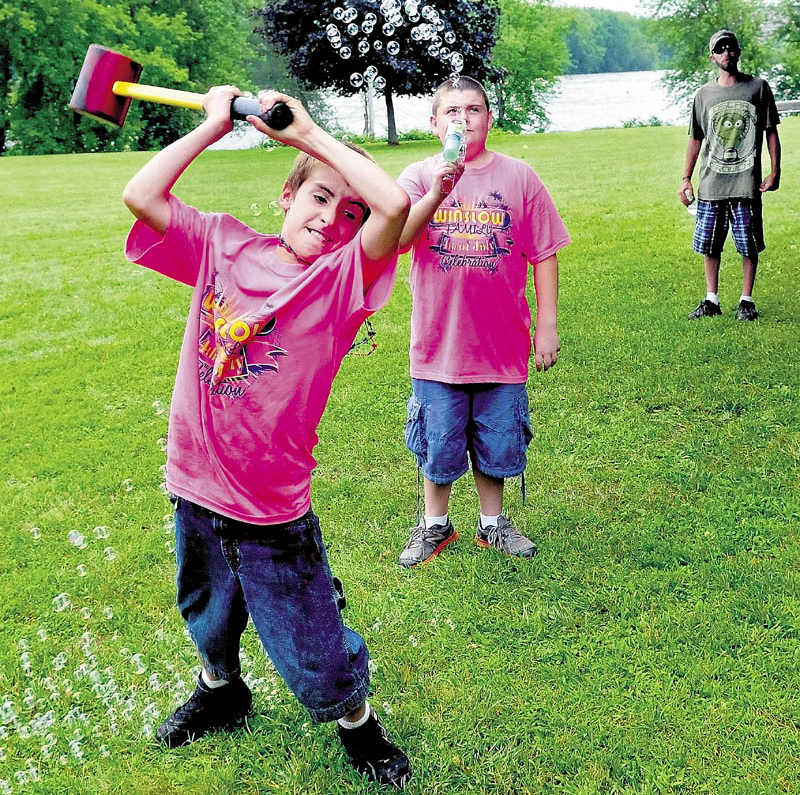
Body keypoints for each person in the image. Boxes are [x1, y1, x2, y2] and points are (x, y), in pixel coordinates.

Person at [122, 86, 412, 787]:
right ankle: (221, 688)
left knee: (312, 647)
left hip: (272, 509)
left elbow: (395, 206)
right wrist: (212, 127)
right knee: (207, 614)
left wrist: (307, 133)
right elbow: (140, 194)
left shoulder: (342, 282)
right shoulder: (220, 243)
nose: (332, 220)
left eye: (349, 214)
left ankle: (357, 722)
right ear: (287, 196)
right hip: (195, 483)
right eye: (319, 200)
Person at [395, 76, 570, 568]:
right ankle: (435, 525)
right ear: (434, 123)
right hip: (438, 347)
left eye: (473, 110)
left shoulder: (519, 177)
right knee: (439, 439)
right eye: (451, 112)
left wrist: (548, 326)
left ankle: (492, 524)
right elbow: (400, 238)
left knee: (497, 439)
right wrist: (437, 190)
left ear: (489, 120)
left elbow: (545, 253)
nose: (462, 120)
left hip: (502, 344)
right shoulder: (415, 176)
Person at [680, 29, 781, 321]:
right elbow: (695, 138)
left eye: (731, 47)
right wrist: (686, 178)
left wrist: (775, 171)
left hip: (746, 183)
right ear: (712, 57)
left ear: (738, 51)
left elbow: (770, 132)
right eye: (720, 49)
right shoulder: (703, 95)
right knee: (710, 245)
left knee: (748, 244)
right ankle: (711, 299)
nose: (727, 53)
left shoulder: (758, 88)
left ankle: (746, 300)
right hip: (711, 184)